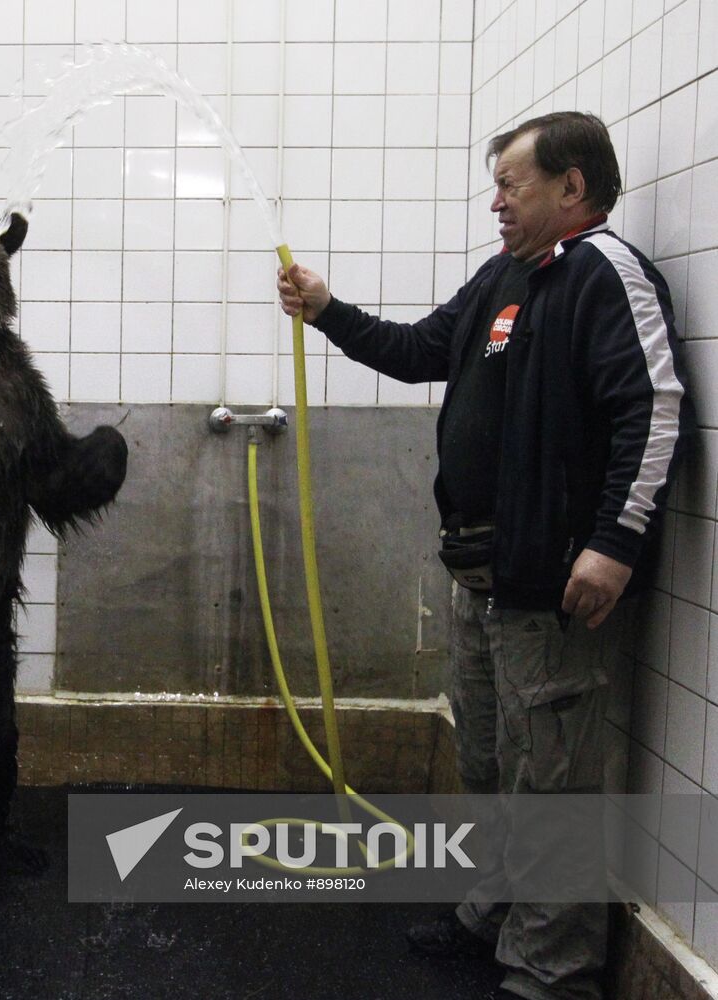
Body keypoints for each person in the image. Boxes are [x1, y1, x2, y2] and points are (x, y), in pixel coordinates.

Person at [277, 112, 687, 1000]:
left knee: (552, 782)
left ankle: (550, 968)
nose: (494, 201)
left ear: (571, 188)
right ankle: (497, 909)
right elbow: (423, 349)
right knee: (489, 762)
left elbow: (652, 409)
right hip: (480, 578)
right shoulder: (505, 278)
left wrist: (614, 543)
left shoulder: (605, 276)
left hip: (550, 586)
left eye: (512, 183)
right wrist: (327, 311)